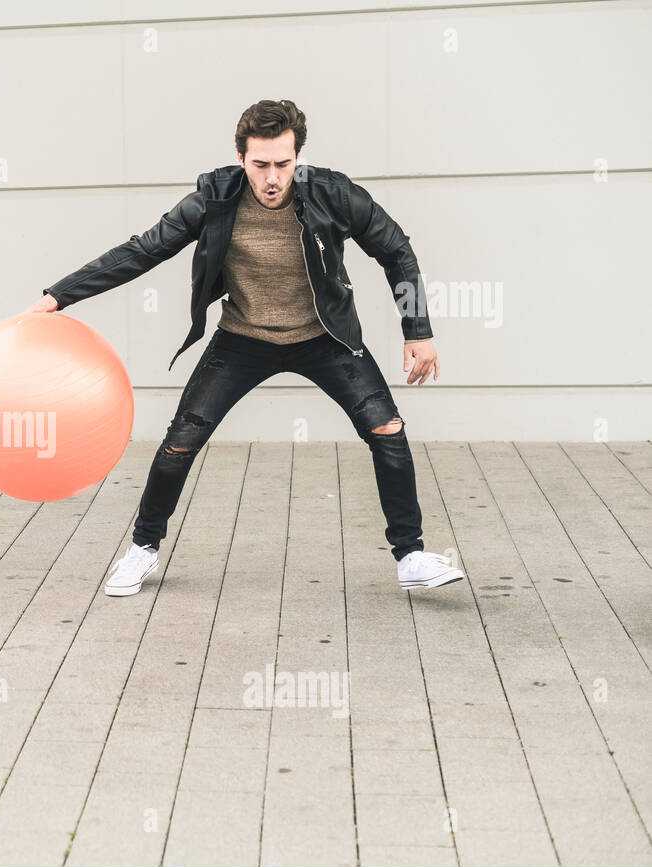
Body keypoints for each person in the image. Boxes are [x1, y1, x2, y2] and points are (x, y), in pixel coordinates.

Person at [26, 99, 465, 596]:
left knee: (387, 428)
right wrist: (58, 296)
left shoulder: (333, 193)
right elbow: (143, 249)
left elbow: (395, 250)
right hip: (243, 339)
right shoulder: (213, 198)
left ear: (298, 157)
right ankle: (142, 549)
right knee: (179, 442)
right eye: (261, 165)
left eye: (283, 164)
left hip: (326, 337)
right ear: (242, 160)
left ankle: (410, 556)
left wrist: (418, 329)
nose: (272, 177)